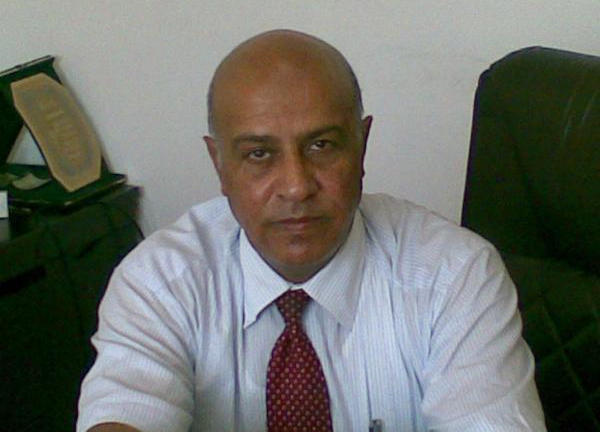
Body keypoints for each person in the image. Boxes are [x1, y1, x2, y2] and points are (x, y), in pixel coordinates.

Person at [77, 30, 546, 432]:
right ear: (219, 164)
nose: (297, 186)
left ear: (362, 146)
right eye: (259, 154)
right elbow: (127, 406)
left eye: (321, 145)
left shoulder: (454, 274)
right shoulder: (160, 281)